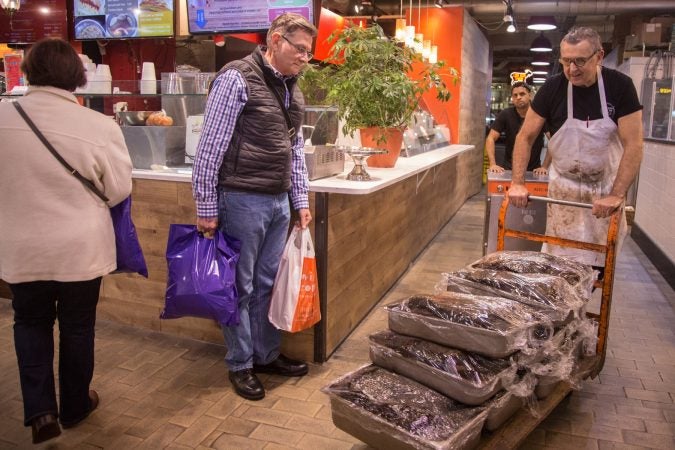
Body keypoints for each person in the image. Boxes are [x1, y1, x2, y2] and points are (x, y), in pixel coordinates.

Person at [0, 38, 132, 444]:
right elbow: (118, 189)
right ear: (78, 76)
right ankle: (75, 405)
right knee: (77, 327)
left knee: (30, 322)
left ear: (27, 70)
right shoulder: (99, 125)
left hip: (21, 247)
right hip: (80, 248)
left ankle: (41, 412)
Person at [192, 13, 317, 401]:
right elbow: (209, 147)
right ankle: (240, 363)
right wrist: (206, 205)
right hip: (240, 199)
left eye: (309, 53)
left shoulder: (292, 89)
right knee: (240, 288)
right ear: (276, 40)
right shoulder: (235, 78)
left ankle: (265, 354)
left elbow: (294, 150)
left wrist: (300, 199)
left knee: (266, 284)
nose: (304, 58)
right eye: (300, 49)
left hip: (279, 202)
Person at [508, 27, 643, 267]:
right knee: (559, 267)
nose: (572, 69)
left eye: (580, 61)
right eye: (566, 61)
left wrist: (616, 195)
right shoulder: (552, 89)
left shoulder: (620, 87)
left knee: (597, 269)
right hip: (564, 194)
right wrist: (517, 182)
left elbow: (633, 144)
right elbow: (525, 136)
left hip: (603, 196)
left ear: (599, 56)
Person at [486, 81, 550, 175]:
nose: (518, 97)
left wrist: (544, 166)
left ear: (530, 95)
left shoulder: (539, 115)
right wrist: (492, 164)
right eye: (515, 95)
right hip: (509, 169)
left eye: (522, 94)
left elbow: (553, 141)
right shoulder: (506, 114)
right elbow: (490, 138)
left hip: (533, 171)